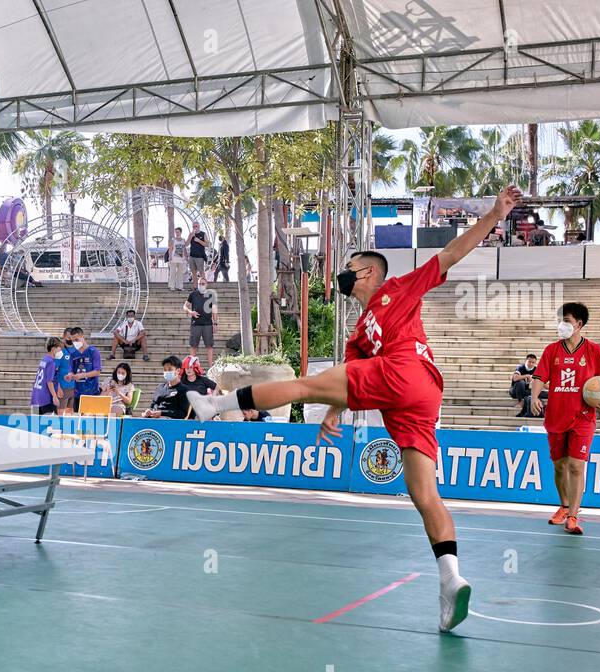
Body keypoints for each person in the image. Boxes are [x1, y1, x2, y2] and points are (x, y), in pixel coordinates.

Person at [186, 184, 529, 633]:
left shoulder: (400, 288)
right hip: (420, 395)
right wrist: (335, 411)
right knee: (424, 493)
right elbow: (350, 376)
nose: (342, 276)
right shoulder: (359, 329)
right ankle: (451, 579)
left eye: (348, 269)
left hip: (403, 371)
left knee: (303, 385)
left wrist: (496, 212)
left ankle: (216, 404)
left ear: (368, 273)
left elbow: (453, 252)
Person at [529, 303, 600, 534]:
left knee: (576, 466)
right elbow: (539, 376)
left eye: (567, 320)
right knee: (560, 466)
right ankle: (564, 506)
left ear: (579, 324)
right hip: (556, 415)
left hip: (583, 417)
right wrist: (534, 396)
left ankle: (573, 516)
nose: (562, 324)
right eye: (561, 320)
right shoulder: (552, 350)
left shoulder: (594, 350)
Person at [183, 278, 217, 368]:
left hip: (208, 324)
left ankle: (210, 368)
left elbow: (214, 310)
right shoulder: (193, 294)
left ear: (206, 284)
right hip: (196, 324)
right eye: (199, 283)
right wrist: (190, 312)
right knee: (194, 346)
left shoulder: (211, 295)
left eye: (203, 283)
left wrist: (215, 323)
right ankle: (192, 367)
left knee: (209, 346)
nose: (201, 285)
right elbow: (185, 306)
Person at [68, 327, 103, 409]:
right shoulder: (73, 354)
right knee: (78, 419)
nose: (74, 343)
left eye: (76, 340)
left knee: (91, 419)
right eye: (73, 341)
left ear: (82, 337)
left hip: (91, 392)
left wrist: (82, 375)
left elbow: (97, 371)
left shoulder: (93, 351)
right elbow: (71, 370)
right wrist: (70, 376)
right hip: (77, 393)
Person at [31, 337, 64, 415]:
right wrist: (55, 397)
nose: (61, 351)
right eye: (60, 349)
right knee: (50, 424)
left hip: (35, 397)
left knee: (35, 424)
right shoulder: (51, 362)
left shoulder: (44, 359)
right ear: (54, 349)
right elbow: (49, 381)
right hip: (45, 399)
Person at [56, 328, 77, 413]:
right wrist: (58, 387)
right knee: (61, 414)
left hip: (74, 388)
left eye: (72, 337)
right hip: (63, 388)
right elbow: (53, 371)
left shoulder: (77, 350)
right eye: (68, 337)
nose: (70, 339)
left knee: (70, 414)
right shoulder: (59, 352)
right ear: (63, 337)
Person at [166, 227, 187, 291]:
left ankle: (179, 287)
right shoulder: (173, 239)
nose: (176, 233)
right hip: (173, 258)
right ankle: (172, 286)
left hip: (181, 259)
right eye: (176, 232)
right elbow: (170, 248)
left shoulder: (183, 240)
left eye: (178, 232)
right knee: (172, 272)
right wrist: (170, 256)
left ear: (180, 232)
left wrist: (186, 256)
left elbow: (184, 249)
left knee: (180, 273)